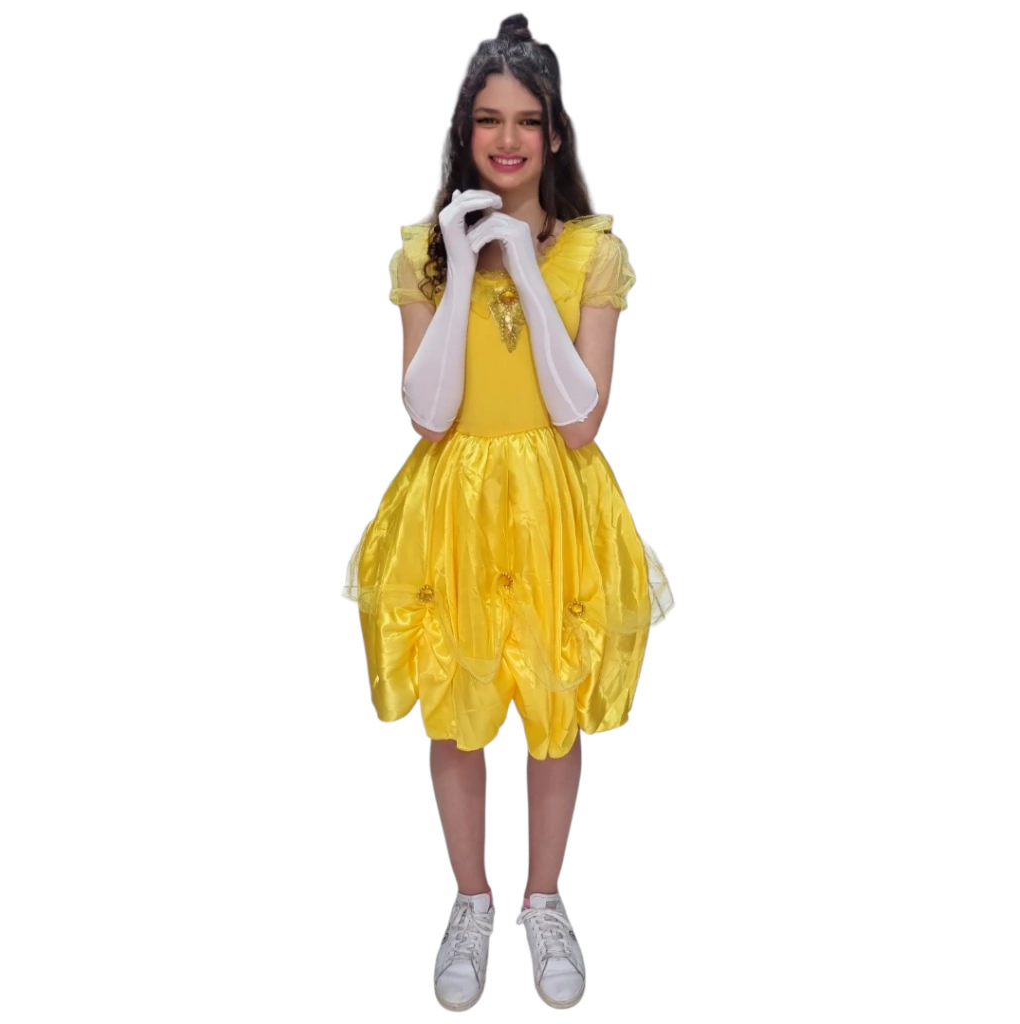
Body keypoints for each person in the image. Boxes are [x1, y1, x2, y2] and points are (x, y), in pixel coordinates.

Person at [342, 13, 674, 1012]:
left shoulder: (592, 255)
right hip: (454, 507)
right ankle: (470, 900)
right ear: (464, 131)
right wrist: (458, 261)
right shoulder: (422, 255)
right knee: (457, 712)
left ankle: (544, 898)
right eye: (488, 119)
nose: (508, 138)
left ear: (555, 135)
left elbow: (579, 418)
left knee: (551, 710)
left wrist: (525, 267)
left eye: (528, 120)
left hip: (553, 508)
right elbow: (427, 413)